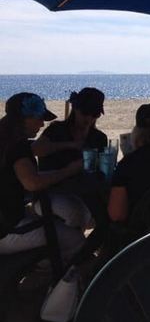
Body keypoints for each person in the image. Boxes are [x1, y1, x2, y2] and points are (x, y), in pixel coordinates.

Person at [0, 93, 85, 262]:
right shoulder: (17, 146)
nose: (42, 123)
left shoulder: (6, 139)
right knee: (76, 241)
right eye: (39, 118)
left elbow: (25, 172)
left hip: (8, 221)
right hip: (7, 230)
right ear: (24, 119)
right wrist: (68, 171)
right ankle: (51, 283)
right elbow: (32, 182)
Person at [31, 87, 107, 229]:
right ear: (75, 108)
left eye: (95, 114)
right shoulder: (57, 130)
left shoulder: (98, 138)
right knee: (77, 212)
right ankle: (78, 248)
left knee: (108, 211)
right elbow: (36, 149)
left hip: (84, 191)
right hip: (50, 193)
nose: (89, 118)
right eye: (85, 112)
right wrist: (70, 145)